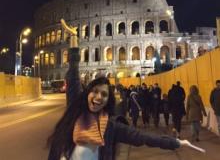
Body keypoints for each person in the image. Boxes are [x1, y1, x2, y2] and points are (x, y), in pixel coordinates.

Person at [47, 19, 193, 160]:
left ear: (108, 101)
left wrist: (174, 143)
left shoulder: (111, 128)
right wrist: (73, 38)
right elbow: (73, 74)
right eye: (95, 91)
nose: (98, 97)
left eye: (104, 94)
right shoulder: (75, 110)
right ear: (88, 93)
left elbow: (142, 137)